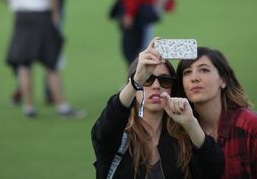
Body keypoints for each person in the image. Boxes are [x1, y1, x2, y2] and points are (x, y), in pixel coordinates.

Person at [91, 39, 225, 178]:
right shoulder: (119, 134)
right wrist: (136, 80)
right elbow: (105, 128)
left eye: (165, 80)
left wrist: (191, 124)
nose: (156, 86)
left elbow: (214, 170)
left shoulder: (183, 136)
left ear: (173, 88)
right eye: (147, 79)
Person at [177, 47, 257, 178]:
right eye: (187, 72)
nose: (194, 78)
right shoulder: (180, 131)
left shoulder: (254, 126)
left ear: (223, 80)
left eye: (204, 70)